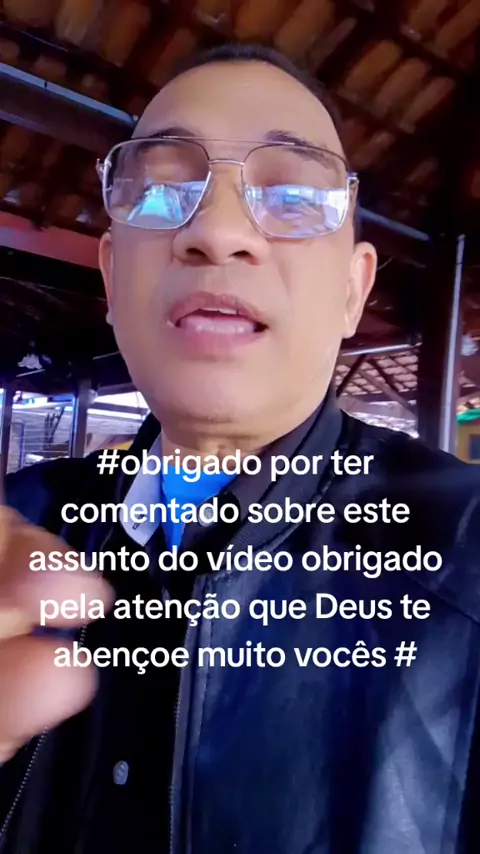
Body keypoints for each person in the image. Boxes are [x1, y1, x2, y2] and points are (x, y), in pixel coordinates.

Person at [0, 42, 479, 854]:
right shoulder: (20, 525)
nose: (218, 232)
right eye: (162, 190)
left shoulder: (466, 553)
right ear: (111, 278)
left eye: (292, 195)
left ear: (354, 289)